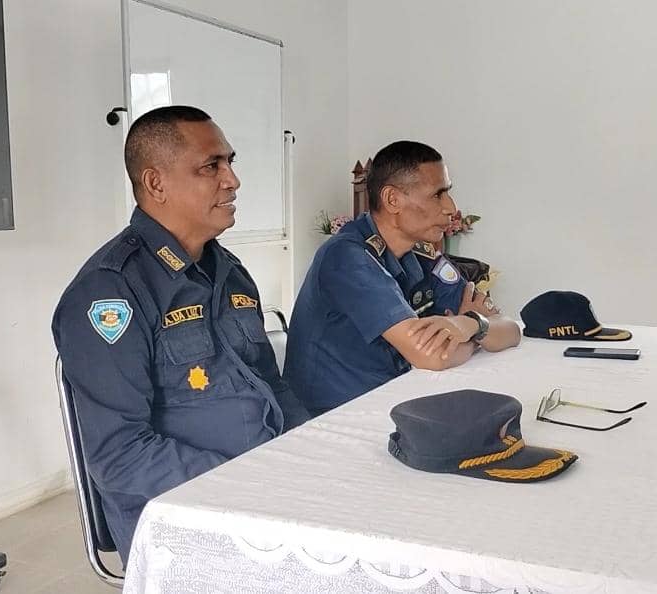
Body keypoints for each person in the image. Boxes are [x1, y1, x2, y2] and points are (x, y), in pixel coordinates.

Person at [52, 105, 308, 565]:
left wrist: (312, 450)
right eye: (211, 166)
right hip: (188, 520)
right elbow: (120, 455)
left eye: (230, 162)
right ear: (156, 184)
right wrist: (248, 482)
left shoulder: (229, 272)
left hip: (269, 491)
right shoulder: (111, 291)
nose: (233, 180)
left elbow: (272, 386)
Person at [284, 140, 521, 416]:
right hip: (332, 417)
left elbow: (509, 329)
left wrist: (471, 324)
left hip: (391, 399)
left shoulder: (419, 253)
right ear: (392, 200)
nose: (451, 207)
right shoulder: (347, 256)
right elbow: (432, 357)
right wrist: (475, 336)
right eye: (438, 195)